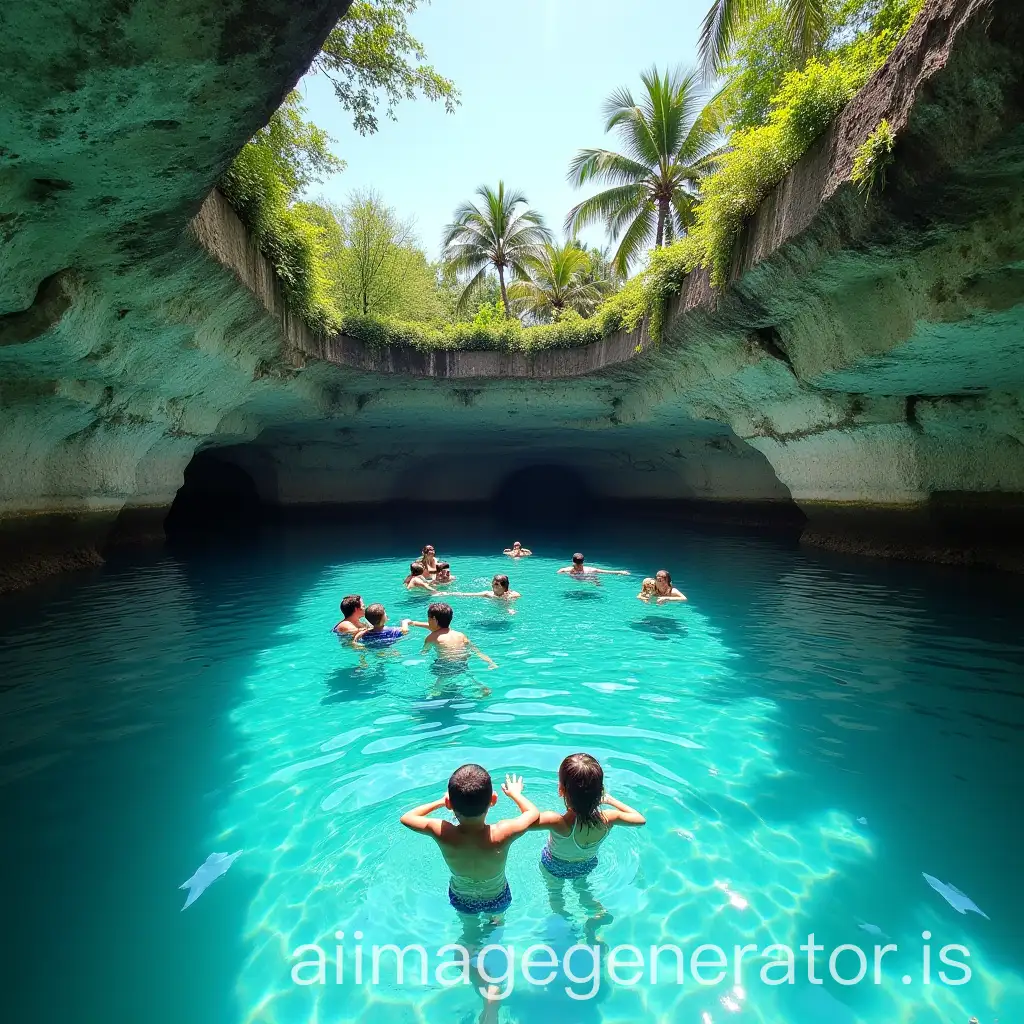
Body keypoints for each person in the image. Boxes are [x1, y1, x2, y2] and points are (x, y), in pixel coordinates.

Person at [530, 752, 646, 942]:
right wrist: (610, 800)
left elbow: (528, 821)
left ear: (561, 790)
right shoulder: (609, 819)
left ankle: (567, 924)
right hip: (584, 865)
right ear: (600, 792)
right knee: (583, 891)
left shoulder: (558, 822)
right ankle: (598, 914)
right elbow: (640, 819)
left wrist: (516, 794)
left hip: (555, 867)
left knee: (556, 895)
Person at [421, 601, 496, 668]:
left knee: (439, 682)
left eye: (428, 618)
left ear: (434, 619)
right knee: (471, 679)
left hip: (446, 665)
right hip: (462, 663)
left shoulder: (432, 637)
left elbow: (424, 652)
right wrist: (490, 662)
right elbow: (476, 651)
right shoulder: (461, 635)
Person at [450, 574, 521, 602]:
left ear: (504, 587)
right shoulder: (488, 594)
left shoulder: (513, 595)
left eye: (496, 584)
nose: (493, 586)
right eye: (493, 583)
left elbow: (517, 596)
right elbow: (467, 594)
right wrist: (447, 593)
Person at [557, 553, 630, 578]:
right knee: (595, 578)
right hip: (588, 579)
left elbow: (559, 572)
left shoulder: (566, 570)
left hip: (574, 579)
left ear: (572, 561)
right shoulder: (591, 570)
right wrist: (621, 571)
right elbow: (607, 572)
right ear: (583, 561)